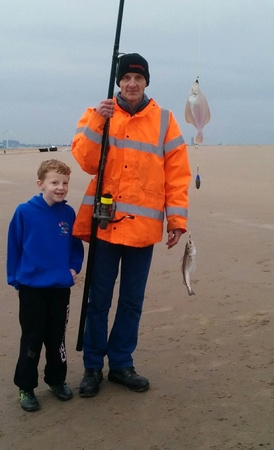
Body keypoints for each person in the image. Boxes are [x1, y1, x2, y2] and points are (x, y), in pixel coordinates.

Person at [71, 53, 191, 397]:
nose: (132, 84)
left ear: (147, 82)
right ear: (118, 82)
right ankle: (93, 367)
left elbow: (178, 175)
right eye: (126, 78)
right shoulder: (98, 115)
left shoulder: (166, 120)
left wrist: (176, 220)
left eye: (139, 78)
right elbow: (85, 162)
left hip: (144, 229)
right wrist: (98, 121)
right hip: (105, 227)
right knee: (98, 300)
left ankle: (121, 363)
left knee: (131, 302)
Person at [6, 159, 85, 412]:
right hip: (31, 287)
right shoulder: (24, 212)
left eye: (64, 183)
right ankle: (26, 387)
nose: (60, 188)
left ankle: (56, 379)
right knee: (32, 337)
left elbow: (75, 247)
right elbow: (14, 247)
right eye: (54, 183)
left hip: (60, 287)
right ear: (41, 184)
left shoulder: (68, 213)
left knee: (56, 337)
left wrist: (73, 269)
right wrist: (15, 278)